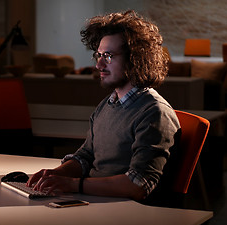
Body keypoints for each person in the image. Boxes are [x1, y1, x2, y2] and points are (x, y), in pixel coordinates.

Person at [27, 10, 180, 201]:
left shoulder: (154, 113)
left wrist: (73, 185)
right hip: (91, 200)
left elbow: (138, 184)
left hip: (123, 214)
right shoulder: (107, 104)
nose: (99, 65)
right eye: (98, 55)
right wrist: (55, 174)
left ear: (135, 60)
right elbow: (86, 155)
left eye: (108, 56)